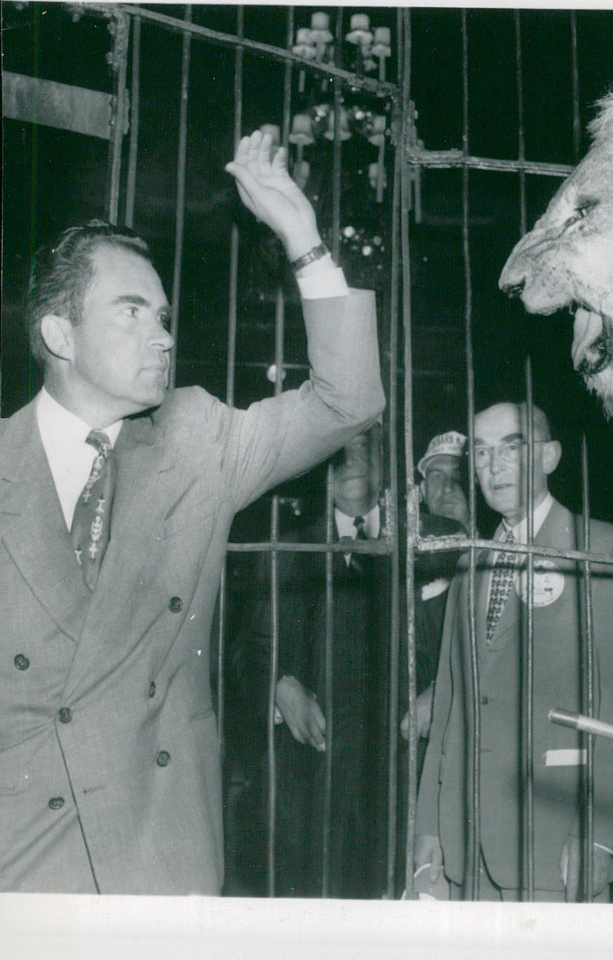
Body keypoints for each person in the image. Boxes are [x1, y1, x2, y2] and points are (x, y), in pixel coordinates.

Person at [0, 128, 384, 895]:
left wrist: (300, 233)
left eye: (165, 315)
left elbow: (349, 400)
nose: (164, 335)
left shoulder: (199, 438)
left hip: (158, 860)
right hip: (24, 861)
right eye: (133, 312)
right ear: (58, 334)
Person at [415, 402, 613, 901]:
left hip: (556, 838)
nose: (493, 466)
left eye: (512, 448)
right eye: (481, 453)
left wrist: (602, 836)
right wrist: (428, 825)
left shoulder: (604, 550)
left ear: (549, 457)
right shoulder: (471, 562)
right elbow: (449, 706)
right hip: (465, 840)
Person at [235, 422, 390, 898]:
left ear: (385, 464)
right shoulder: (289, 551)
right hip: (312, 779)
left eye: (362, 448)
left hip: (400, 774)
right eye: (336, 453)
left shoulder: (428, 541)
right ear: (318, 474)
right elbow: (251, 650)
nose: (349, 462)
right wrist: (279, 686)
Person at [400, 431, 468, 743]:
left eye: (459, 474)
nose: (449, 486)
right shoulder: (402, 560)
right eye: (437, 476)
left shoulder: (502, 552)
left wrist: (442, 689)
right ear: (422, 491)